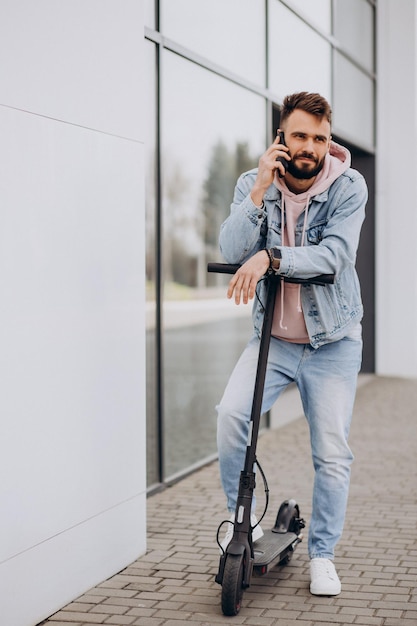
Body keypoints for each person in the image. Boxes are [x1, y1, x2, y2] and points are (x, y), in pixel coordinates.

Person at [216, 91, 367, 596]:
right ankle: (247, 526)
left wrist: (272, 258)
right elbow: (233, 250)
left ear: (329, 140)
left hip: (332, 344)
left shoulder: (349, 186)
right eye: (299, 135)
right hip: (273, 341)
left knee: (331, 453)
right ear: (282, 137)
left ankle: (322, 554)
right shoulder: (252, 184)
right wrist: (259, 188)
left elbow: (334, 257)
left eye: (319, 138)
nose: (310, 147)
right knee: (232, 415)